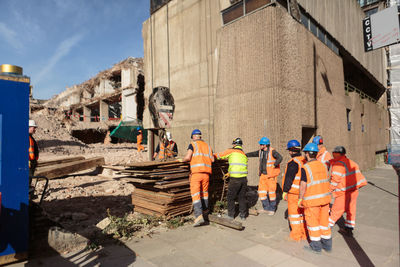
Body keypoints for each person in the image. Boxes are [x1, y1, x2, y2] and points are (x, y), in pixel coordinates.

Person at [299, 143, 332, 253]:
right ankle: (327, 246)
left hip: (312, 201)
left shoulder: (306, 168)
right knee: (324, 223)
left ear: (307, 154)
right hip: (325, 199)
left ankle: (316, 247)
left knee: (313, 224)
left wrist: (300, 199)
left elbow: (303, 185)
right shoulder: (323, 165)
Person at [328, 146, 367, 236]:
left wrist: (328, 191)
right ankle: (349, 229)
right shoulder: (352, 162)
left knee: (335, 212)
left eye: (333, 153)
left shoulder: (338, 165)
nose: (332, 154)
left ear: (337, 154)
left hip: (343, 193)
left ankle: (326, 230)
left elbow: (335, 181)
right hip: (354, 191)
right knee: (351, 210)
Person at [181, 129, 214, 226]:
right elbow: (212, 160)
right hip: (206, 174)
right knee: (204, 194)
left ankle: (198, 216)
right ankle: (205, 212)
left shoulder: (193, 144)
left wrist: (182, 160)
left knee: (196, 195)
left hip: (196, 174)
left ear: (193, 137)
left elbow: (187, 157)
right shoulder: (208, 146)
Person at [246, 137, 282, 215]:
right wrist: (244, 154)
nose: (260, 145)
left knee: (271, 193)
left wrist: (274, 165)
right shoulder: (260, 152)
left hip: (271, 176)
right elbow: (253, 154)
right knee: (262, 192)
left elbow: (280, 158)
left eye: (261, 144)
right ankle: (266, 208)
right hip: (263, 175)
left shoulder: (272, 151)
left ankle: (272, 209)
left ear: (265, 145)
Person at [214, 138, 248, 220]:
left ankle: (231, 215)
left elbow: (218, 156)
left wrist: (209, 155)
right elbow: (238, 166)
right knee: (241, 197)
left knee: (230, 197)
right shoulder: (244, 154)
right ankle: (243, 215)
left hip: (235, 179)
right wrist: (229, 172)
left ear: (234, 144)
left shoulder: (231, 151)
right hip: (243, 179)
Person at [281, 139, 307, 241]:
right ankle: (304, 234)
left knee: (294, 214)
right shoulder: (303, 160)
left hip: (294, 193)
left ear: (291, 151)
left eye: (289, 150)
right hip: (303, 192)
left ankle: (296, 235)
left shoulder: (293, 162)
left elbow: (289, 179)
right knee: (302, 214)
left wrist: (285, 191)